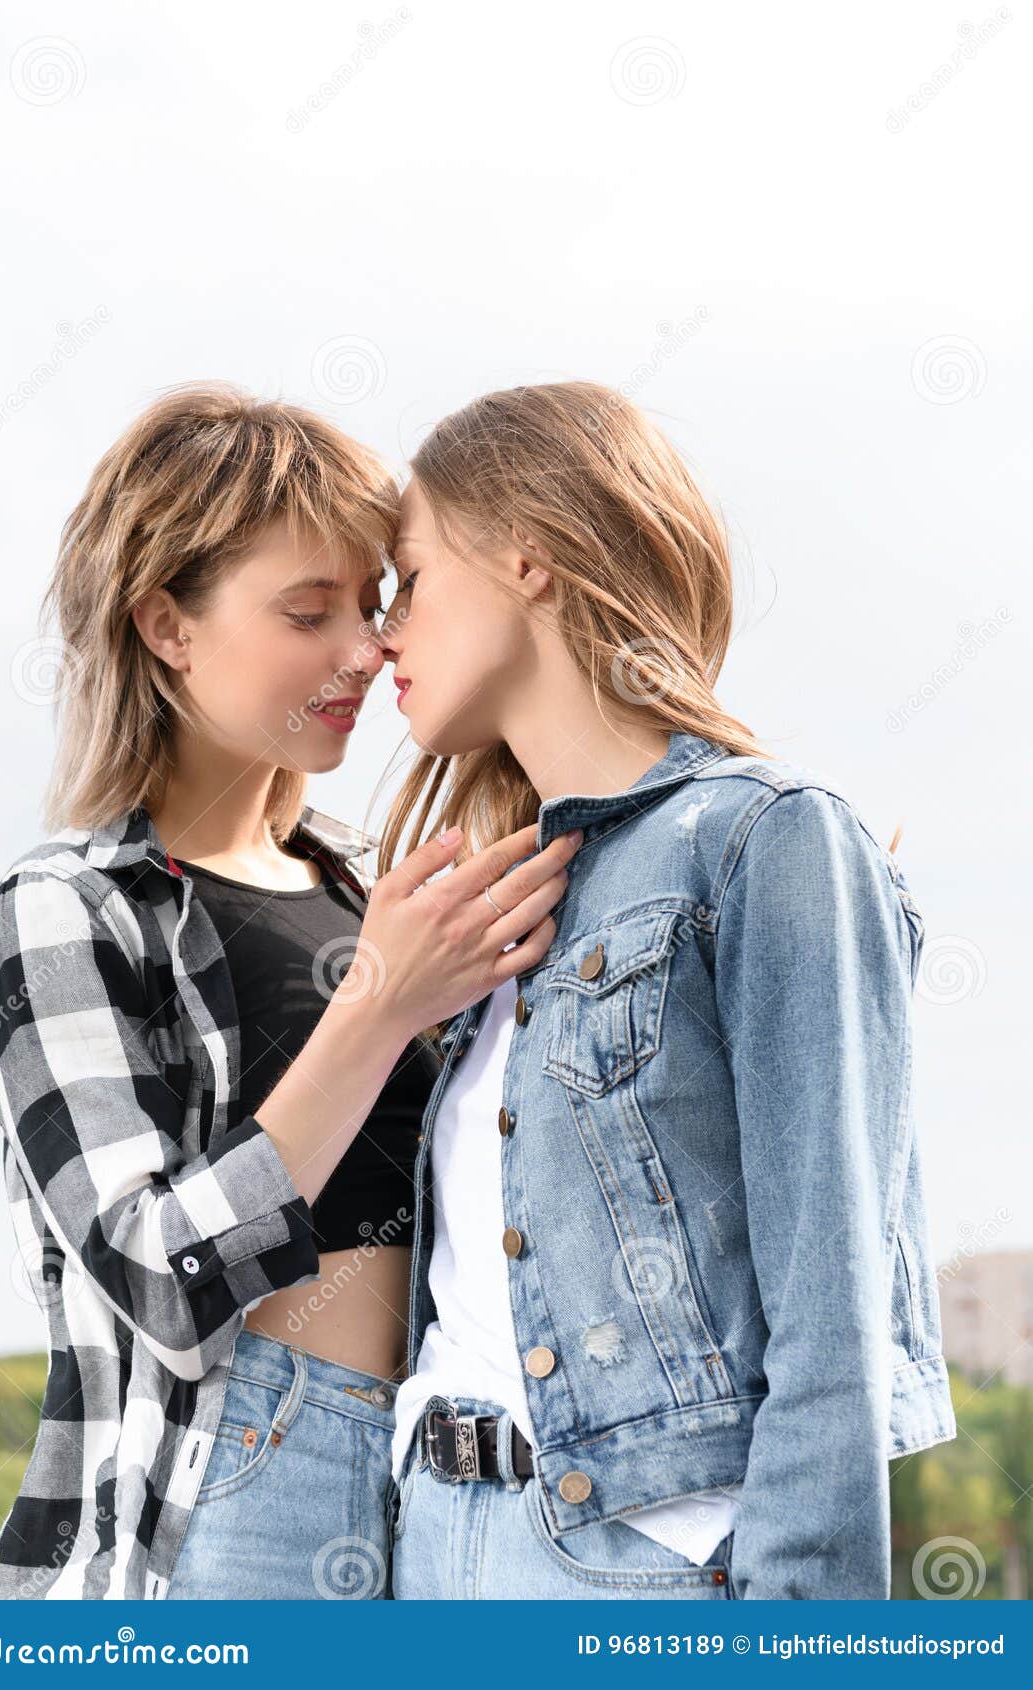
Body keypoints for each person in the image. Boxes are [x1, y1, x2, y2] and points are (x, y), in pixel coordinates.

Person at [0, 384, 581, 1600]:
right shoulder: (66, 911)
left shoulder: (377, 884)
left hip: (451, 1468)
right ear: (166, 626)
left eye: (373, 605)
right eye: (309, 612)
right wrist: (380, 1007)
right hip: (237, 1472)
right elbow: (156, 1276)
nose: (364, 651)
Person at [377, 380, 957, 1600]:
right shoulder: (497, 904)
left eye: (411, 579)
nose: (384, 634)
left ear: (526, 558)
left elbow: (832, 1299)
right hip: (432, 1550)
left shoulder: (766, 838)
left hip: (628, 1567)